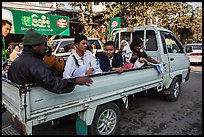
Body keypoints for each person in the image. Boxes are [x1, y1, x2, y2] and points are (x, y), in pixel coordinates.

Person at [8, 29, 93, 94]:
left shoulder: (17, 61)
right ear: (34, 46)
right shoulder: (37, 64)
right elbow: (54, 84)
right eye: (43, 45)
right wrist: (76, 81)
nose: (45, 48)